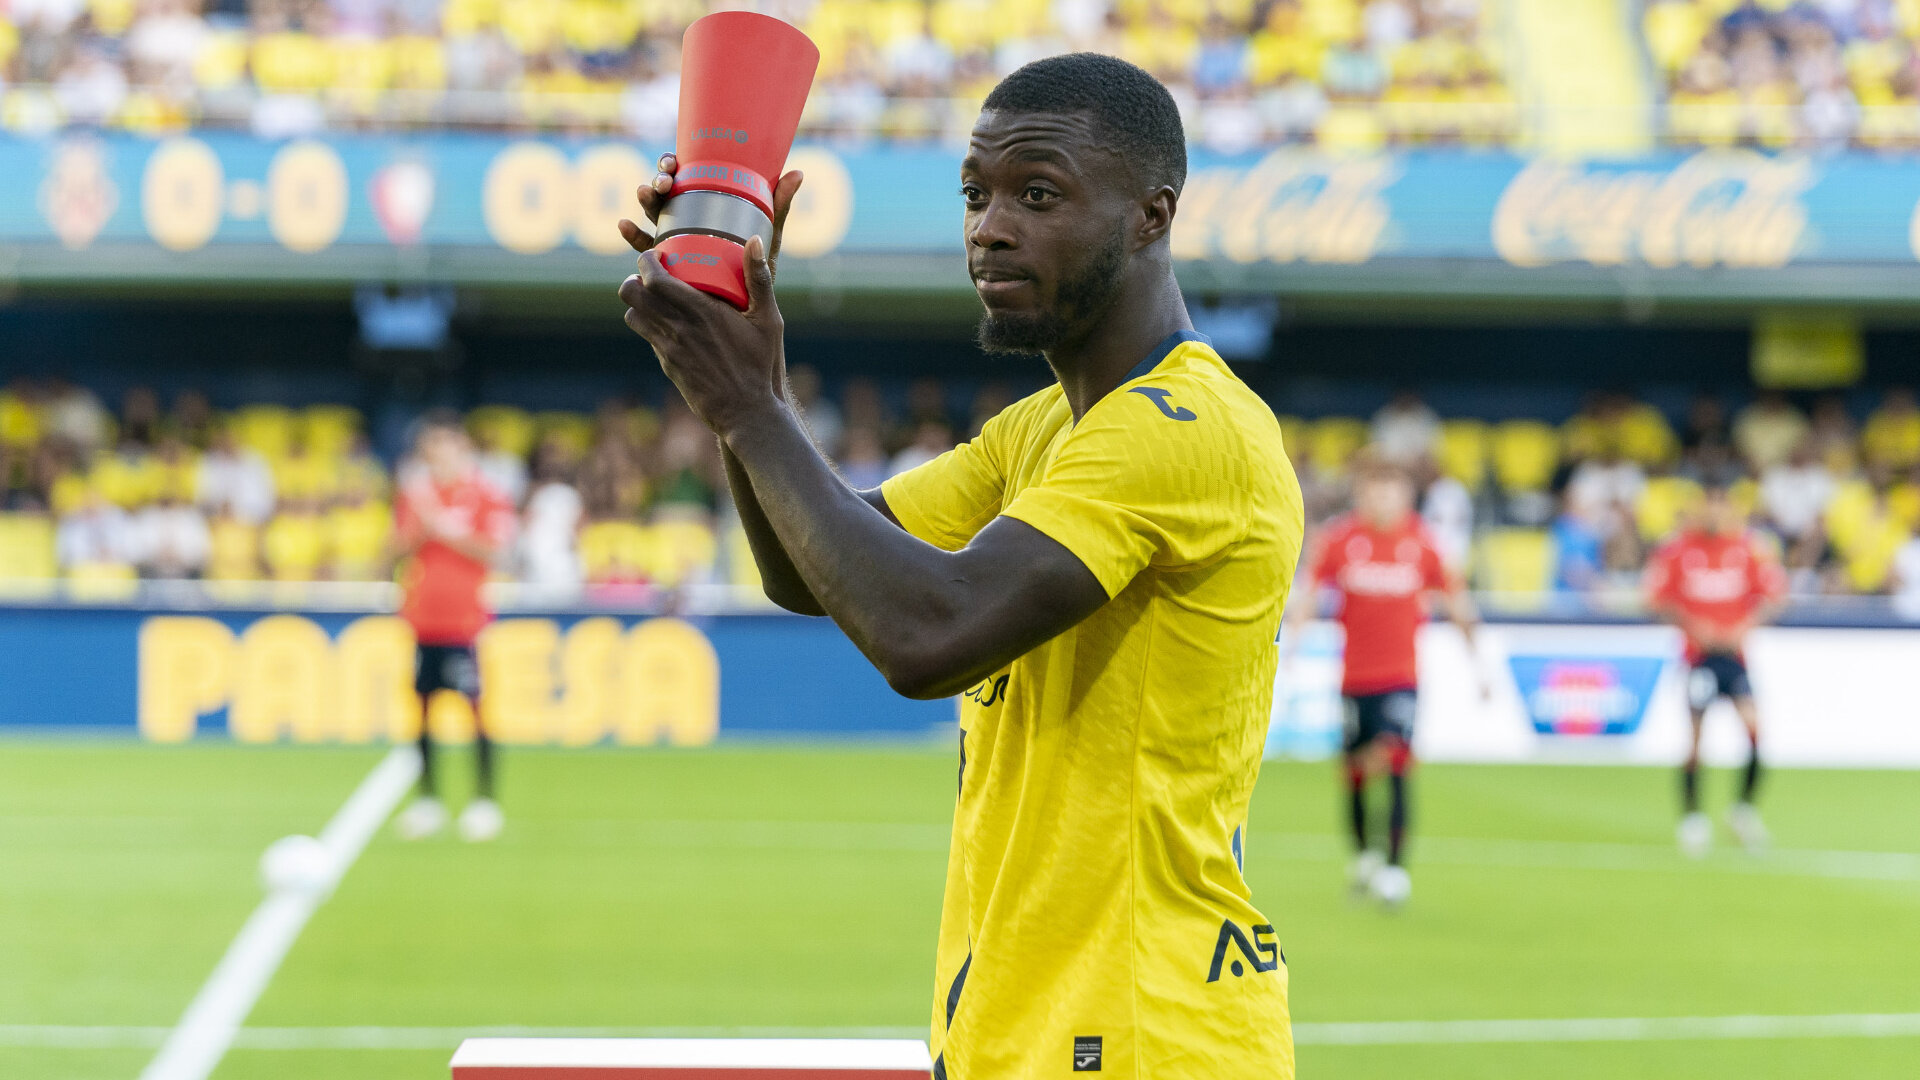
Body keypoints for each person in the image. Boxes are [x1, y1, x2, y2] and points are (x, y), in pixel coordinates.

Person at [619, 53, 1303, 1080]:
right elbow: (806, 570)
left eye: (1039, 195)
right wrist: (732, 353)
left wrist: (752, 406)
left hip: (1141, 1027)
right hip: (1021, 1018)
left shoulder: (1184, 427)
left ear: (1151, 216)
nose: (990, 227)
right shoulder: (1045, 429)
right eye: (976, 195)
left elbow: (927, 635)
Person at [1288, 453, 1481, 908]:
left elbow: (1456, 602)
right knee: (1355, 771)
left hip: (1401, 677)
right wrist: (1292, 646)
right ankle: (1363, 856)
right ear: (1362, 493)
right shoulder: (1340, 541)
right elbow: (1309, 594)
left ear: (1406, 495)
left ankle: (1395, 869)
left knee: (1396, 763)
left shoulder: (1424, 543)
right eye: (1375, 488)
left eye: (1391, 489)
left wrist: (1479, 663)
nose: (1383, 497)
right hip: (1354, 678)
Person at [1643, 478, 1786, 857]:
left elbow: (1774, 596)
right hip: (1699, 658)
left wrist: (1745, 625)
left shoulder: (1747, 549)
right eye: (1709, 504)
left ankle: (1743, 811)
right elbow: (1655, 600)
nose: (1714, 512)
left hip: (1734, 658)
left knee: (1755, 731)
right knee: (1695, 741)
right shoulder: (1678, 550)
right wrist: (1694, 626)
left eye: (1721, 504)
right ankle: (1692, 819)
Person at [391, 412, 516, 843]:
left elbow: (494, 551)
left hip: (464, 622)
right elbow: (394, 549)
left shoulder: (486, 495)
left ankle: (484, 802)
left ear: (462, 449)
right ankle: (428, 801)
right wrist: (420, 528)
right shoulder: (416, 495)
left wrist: (444, 530)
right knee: (421, 711)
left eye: (446, 447)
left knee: (474, 710)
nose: (438, 456)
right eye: (432, 449)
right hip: (423, 618)